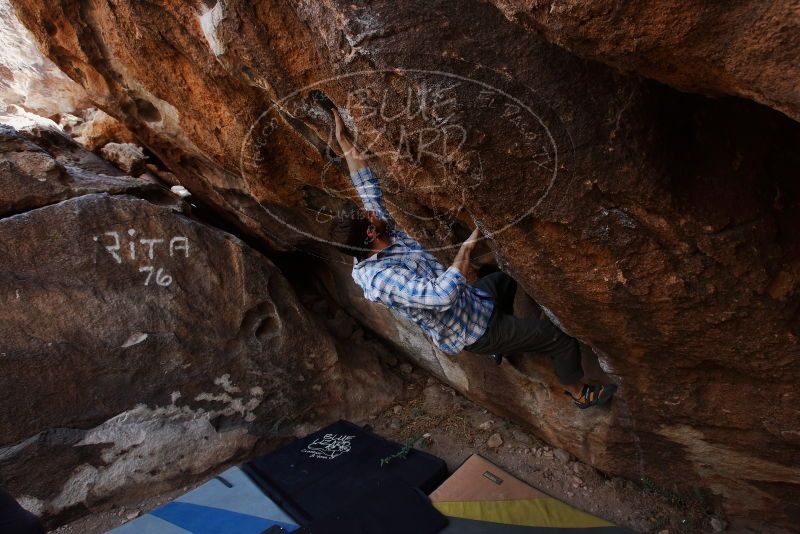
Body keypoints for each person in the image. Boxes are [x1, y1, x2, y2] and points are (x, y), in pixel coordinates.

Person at [330, 108, 616, 409]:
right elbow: (441, 296)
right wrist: (465, 250)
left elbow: (366, 187)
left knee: (507, 278)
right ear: (371, 235)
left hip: (474, 300)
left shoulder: (376, 234)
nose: (371, 210)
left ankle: (506, 337)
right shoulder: (382, 279)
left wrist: (344, 141)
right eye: (368, 216)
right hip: (475, 331)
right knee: (559, 339)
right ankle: (577, 390)